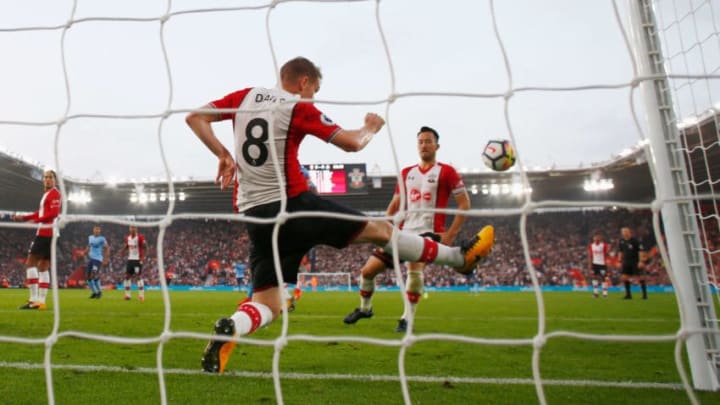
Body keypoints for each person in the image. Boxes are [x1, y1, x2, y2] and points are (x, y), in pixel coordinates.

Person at [186, 56, 494, 374]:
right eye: (314, 89)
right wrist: (370, 128)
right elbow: (351, 144)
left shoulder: (245, 96)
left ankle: (231, 327)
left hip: (255, 217)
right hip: (293, 205)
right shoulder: (297, 106)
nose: (313, 97)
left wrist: (223, 154)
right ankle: (459, 258)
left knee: (269, 303)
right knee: (381, 230)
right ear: (303, 82)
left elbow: (195, 118)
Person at [343, 126, 470, 333]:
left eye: (428, 141)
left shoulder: (447, 172)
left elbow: (465, 204)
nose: (424, 145)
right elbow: (395, 203)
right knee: (367, 272)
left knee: (414, 270)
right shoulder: (406, 173)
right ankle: (365, 309)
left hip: (428, 232)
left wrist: (450, 234)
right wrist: (384, 226)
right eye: (420, 141)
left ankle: (407, 318)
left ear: (437, 145)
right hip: (402, 232)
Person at [13, 169, 61, 310]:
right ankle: (41, 302)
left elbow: (53, 213)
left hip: (46, 233)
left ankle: (33, 300)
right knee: (43, 267)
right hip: (51, 234)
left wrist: (36, 221)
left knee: (30, 264)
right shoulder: (47, 194)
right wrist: (24, 218)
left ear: (55, 180)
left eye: (50, 177)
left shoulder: (54, 194)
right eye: (45, 177)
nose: (47, 179)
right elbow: (39, 213)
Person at [617, 227, 647, 300]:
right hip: (626, 261)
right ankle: (628, 295)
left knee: (640, 277)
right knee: (624, 277)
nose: (624, 233)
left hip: (635, 261)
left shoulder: (635, 241)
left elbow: (641, 251)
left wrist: (641, 261)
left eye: (625, 231)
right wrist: (619, 261)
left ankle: (644, 295)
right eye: (623, 232)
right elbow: (620, 252)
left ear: (629, 232)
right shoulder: (621, 241)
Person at [120, 225, 147, 301]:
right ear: (129, 229)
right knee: (127, 277)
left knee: (138, 277)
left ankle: (141, 296)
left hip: (137, 260)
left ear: (136, 229)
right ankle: (128, 296)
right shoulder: (128, 238)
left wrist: (142, 258)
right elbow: (127, 245)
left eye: (134, 227)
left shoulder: (140, 237)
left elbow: (145, 247)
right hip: (130, 260)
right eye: (131, 227)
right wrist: (122, 251)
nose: (132, 229)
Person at [85, 225, 109, 299]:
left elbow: (107, 248)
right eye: (95, 229)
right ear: (93, 230)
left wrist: (105, 258)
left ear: (100, 231)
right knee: (88, 277)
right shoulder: (90, 237)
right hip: (91, 259)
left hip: (98, 259)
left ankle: (100, 292)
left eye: (98, 229)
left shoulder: (102, 239)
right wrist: (85, 251)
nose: (97, 230)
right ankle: (94, 293)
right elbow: (89, 246)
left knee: (93, 275)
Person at [588, 231, 610, 298]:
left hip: (602, 264)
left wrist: (607, 262)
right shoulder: (591, 246)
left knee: (604, 278)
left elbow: (607, 254)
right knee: (594, 277)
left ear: (600, 238)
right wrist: (590, 264)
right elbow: (590, 255)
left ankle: (605, 293)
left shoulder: (604, 245)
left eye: (598, 236)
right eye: (595, 237)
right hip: (594, 264)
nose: (597, 238)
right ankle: (596, 293)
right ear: (593, 238)